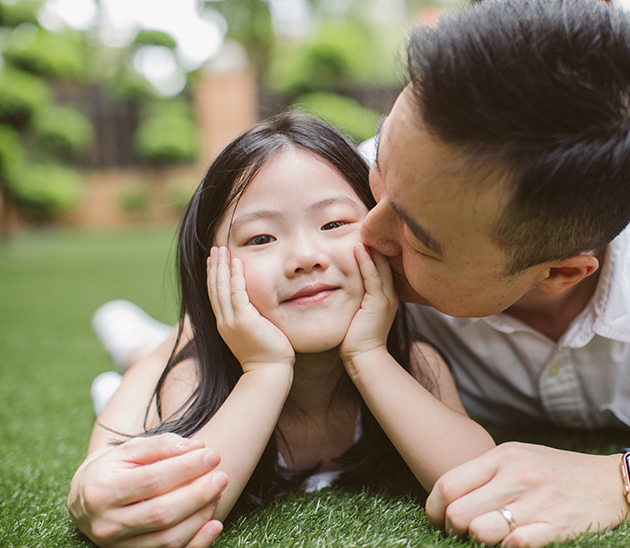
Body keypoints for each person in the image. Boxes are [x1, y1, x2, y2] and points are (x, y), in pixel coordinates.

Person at [70, 0, 630, 547]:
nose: (364, 234)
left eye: (414, 236)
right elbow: (206, 332)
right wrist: (102, 471)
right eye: (377, 185)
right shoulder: (388, 179)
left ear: (561, 269)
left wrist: (622, 483)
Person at [69, 112, 494, 547]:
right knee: (154, 355)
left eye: (334, 224)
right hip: (189, 363)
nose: (305, 256)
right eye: (260, 239)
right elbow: (181, 507)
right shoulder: (188, 381)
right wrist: (264, 369)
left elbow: (483, 480)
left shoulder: (418, 363)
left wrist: (369, 355)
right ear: (212, 270)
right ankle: (134, 341)